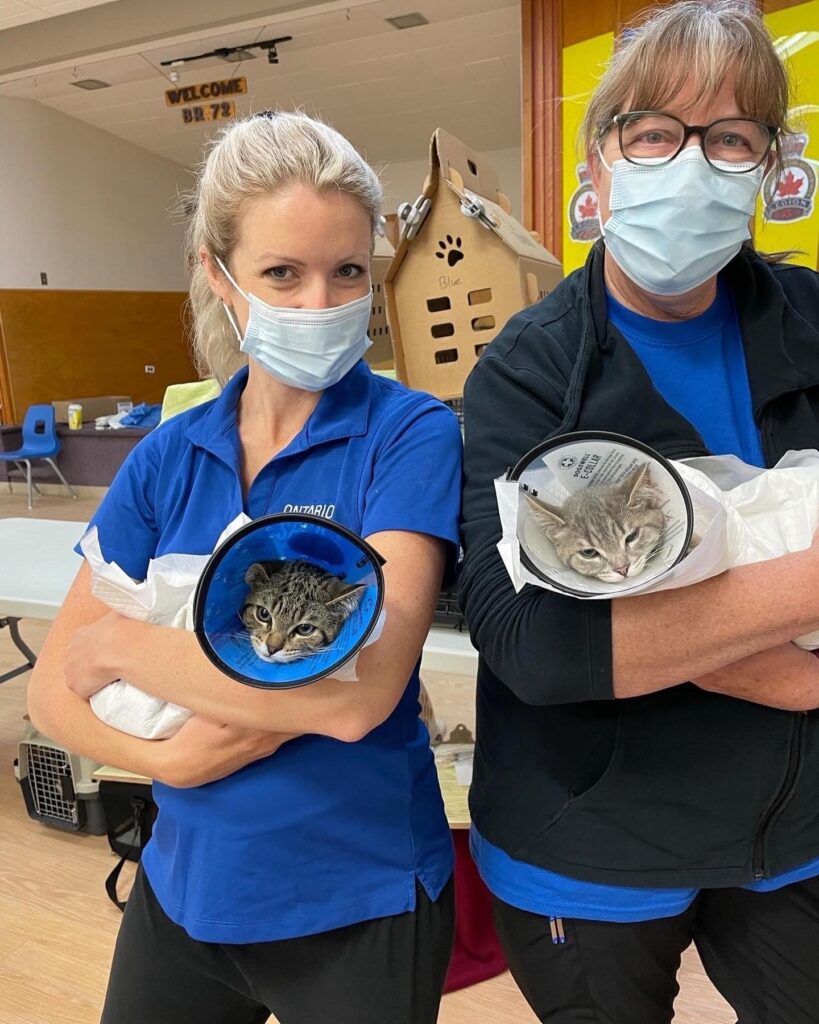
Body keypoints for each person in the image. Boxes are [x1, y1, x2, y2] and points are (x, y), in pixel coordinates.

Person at [28, 111, 462, 1024]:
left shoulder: (408, 435)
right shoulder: (169, 455)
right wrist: (171, 760)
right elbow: (48, 696)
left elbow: (357, 698)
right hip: (187, 888)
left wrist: (123, 647)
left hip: (358, 898)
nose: (320, 303)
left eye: (347, 271)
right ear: (219, 277)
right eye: (281, 274)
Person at [459, 3, 819, 1022]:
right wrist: (793, 654)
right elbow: (531, 640)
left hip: (793, 828)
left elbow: (590, 631)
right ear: (599, 161)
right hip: (588, 842)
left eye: (731, 138)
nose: (692, 165)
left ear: (769, 171)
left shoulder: (811, 323)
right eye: (655, 132)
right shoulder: (523, 371)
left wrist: (668, 634)